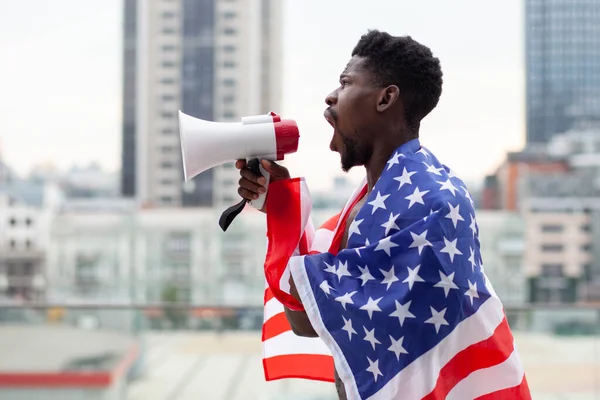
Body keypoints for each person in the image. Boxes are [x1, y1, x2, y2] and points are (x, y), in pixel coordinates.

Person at [236, 30, 531, 400]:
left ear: (386, 97)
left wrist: (282, 209)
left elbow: (309, 316)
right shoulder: (367, 203)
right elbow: (305, 315)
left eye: (345, 83)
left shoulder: (435, 203)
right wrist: (277, 202)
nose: (330, 96)